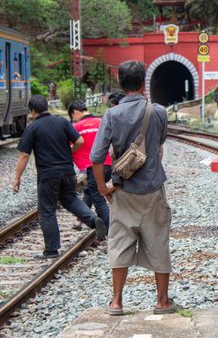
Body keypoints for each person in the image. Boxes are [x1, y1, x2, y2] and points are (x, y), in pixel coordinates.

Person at [90, 60, 178, 315]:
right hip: (152, 190)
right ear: (143, 83)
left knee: (119, 243)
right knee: (158, 241)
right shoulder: (158, 111)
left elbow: (97, 157)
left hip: (123, 190)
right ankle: (162, 301)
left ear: (120, 83)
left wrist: (103, 188)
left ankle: (116, 301)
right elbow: (159, 143)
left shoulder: (111, 114)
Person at [13, 95, 106, 259]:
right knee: (71, 200)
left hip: (48, 175)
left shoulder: (33, 128)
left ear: (33, 111)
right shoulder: (62, 122)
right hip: (68, 172)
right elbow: (80, 140)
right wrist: (69, 153)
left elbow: (24, 156)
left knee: (47, 209)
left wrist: (17, 178)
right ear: (47, 107)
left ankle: (51, 249)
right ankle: (93, 220)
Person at [68, 100, 113, 232]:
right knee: (90, 191)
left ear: (75, 112)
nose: (73, 120)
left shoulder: (76, 127)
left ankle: (110, 231)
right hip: (107, 166)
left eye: (72, 117)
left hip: (93, 167)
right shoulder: (101, 122)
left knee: (98, 199)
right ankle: (79, 220)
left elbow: (70, 147)